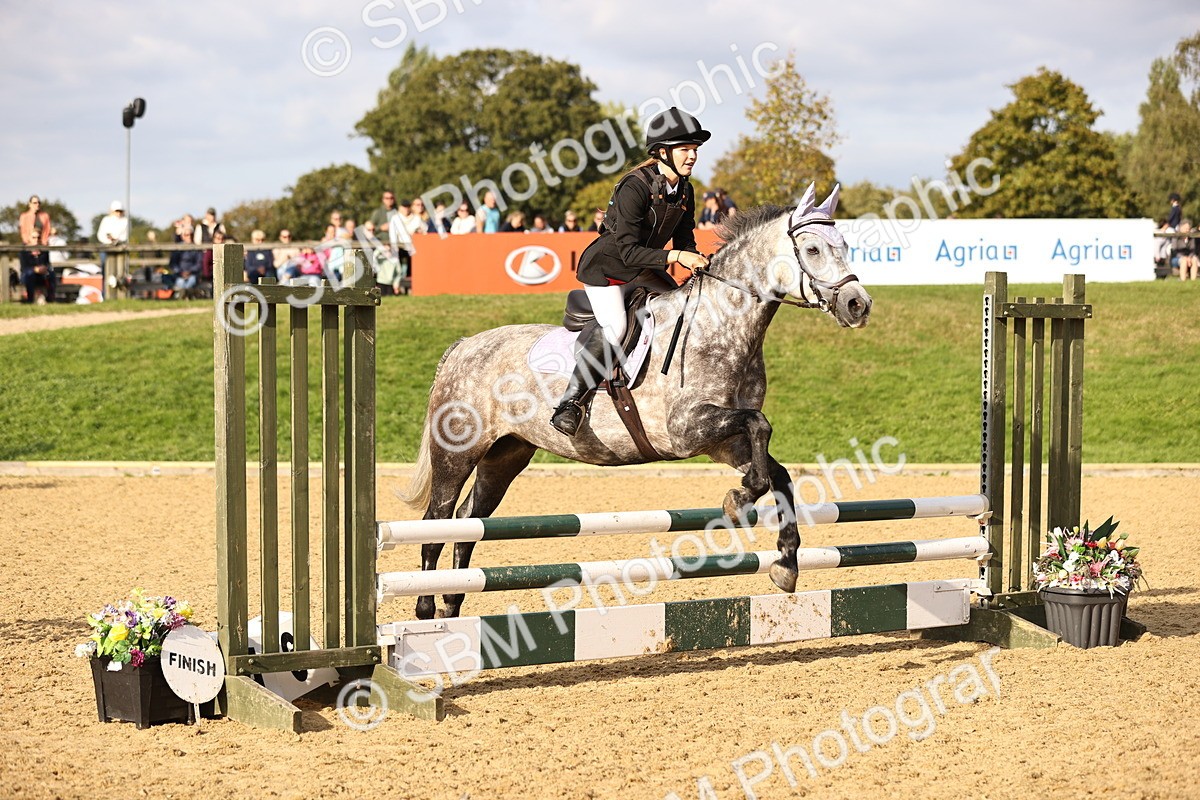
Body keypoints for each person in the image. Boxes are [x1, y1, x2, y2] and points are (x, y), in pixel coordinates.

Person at [549, 107, 711, 436]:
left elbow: (685, 239)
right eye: (685, 149)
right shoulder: (634, 187)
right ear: (662, 152)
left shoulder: (685, 190)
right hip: (608, 268)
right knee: (616, 324)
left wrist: (697, 263)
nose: (692, 156)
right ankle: (571, 402)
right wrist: (678, 256)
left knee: (683, 307)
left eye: (695, 149)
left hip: (644, 266)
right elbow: (627, 251)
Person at [18, 195, 54, 304]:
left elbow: (47, 231)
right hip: (29, 247)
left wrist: (42, 245)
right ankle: (30, 300)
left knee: (50, 273)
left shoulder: (44, 216)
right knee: (29, 273)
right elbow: (23, 231)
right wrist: (30, 243)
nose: (37, 204)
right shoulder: (24, 216)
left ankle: (50, 299)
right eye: (34, 202)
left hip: (41, 247)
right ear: (29, 204)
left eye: (38, 202)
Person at [96, 200, 130, 272]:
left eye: (120, 211)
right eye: (116, 211)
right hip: (106, 247)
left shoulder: (125, 221)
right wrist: (109, 240)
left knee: (120, 269)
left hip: (120, 247)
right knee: (105, 267)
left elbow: (125, 236)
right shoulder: (106, 220)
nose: (118, 213)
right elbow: (101, 235)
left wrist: (117, 240)